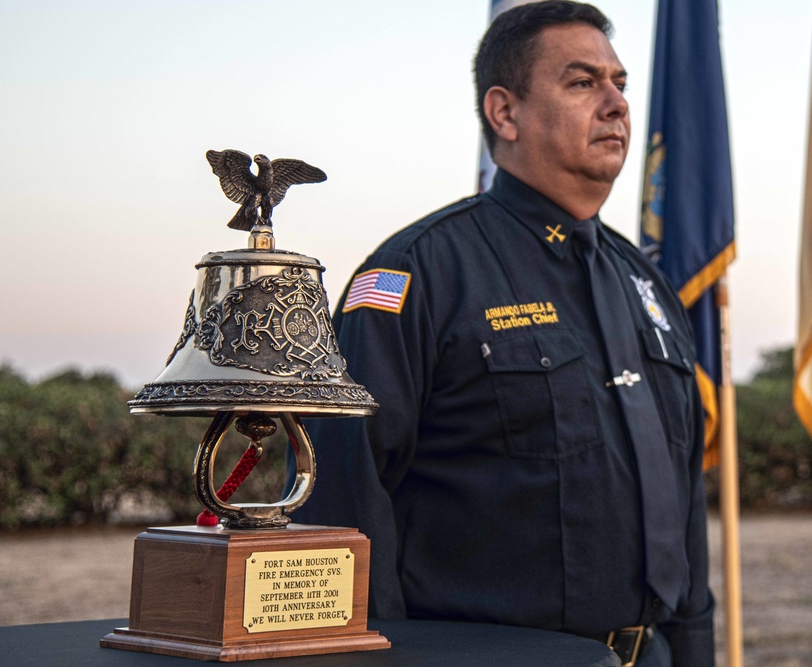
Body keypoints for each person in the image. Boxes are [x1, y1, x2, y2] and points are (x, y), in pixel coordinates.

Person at [288, 2, 714, 664]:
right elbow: (342, 498)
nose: (616, 105)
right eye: (582, 82)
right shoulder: (418, 272)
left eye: (620, 83)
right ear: (504, 113)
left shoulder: (647, 286)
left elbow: (681, 509)